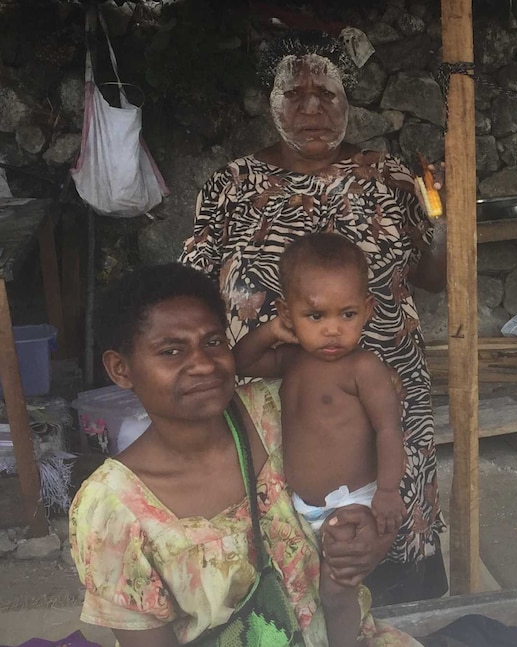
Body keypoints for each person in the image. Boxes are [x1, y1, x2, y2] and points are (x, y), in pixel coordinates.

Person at [180, 29, 448, 604]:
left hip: (385, 402)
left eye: (326, 94)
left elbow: (433, 278)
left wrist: (446, 218)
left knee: (393, 564)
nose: (311, 108)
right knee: (287, 568)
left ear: (347, 101)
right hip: (274, 408)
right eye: (295, 93)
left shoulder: (389, 179)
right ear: (270, 103)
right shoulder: (232, 186)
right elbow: (193, 287)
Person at [68, 264, 419, 647]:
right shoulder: (112, 510)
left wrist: (364, 544)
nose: (203, 363)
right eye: (171, 351)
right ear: (121, 369)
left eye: (214, 342)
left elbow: (367, 498)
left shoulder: (282, 412)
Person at [233, 233, 407, 646]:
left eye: (347, 315)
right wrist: (272, 332)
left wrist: (387, 490)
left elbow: (389, 429)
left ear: (366, 311)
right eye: (315, 316)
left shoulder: (364, 369)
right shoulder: (292, 361)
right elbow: (241, 362)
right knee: (301, 588)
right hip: (297, 509)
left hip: (351, 501)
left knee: (336, 587)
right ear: (287, 313)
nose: (332, 330)